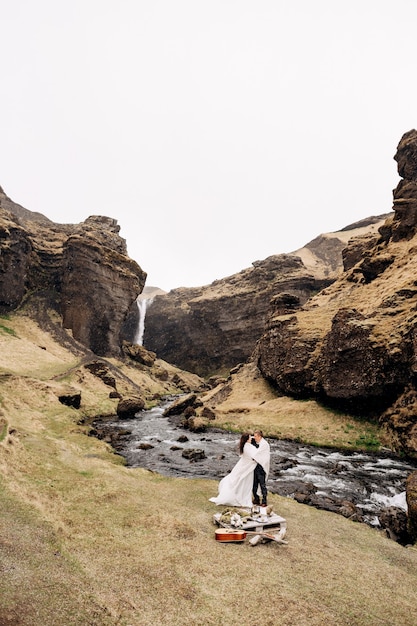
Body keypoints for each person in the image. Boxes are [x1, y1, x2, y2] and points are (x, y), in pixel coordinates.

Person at [209, 433, 257, 508]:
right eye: (250, 438)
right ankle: (238, 497)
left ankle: (241, 495)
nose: (251, 438)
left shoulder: (246, 446)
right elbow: (253, 457)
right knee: (242, 481)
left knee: (242, 481)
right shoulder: (247, 447)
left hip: (245, 465)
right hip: (246, 466)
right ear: (247, 439)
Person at [251, 430, 270, 506]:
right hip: (256, 465)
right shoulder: (258, 443)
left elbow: (258, 454)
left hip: (262, 466)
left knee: (262, 484)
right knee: (254, 483)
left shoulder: (264, 444)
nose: (254, 437)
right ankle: (256, 499)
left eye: (255, 436)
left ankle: (264, 501)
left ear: (259, 436)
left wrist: (253, 457)